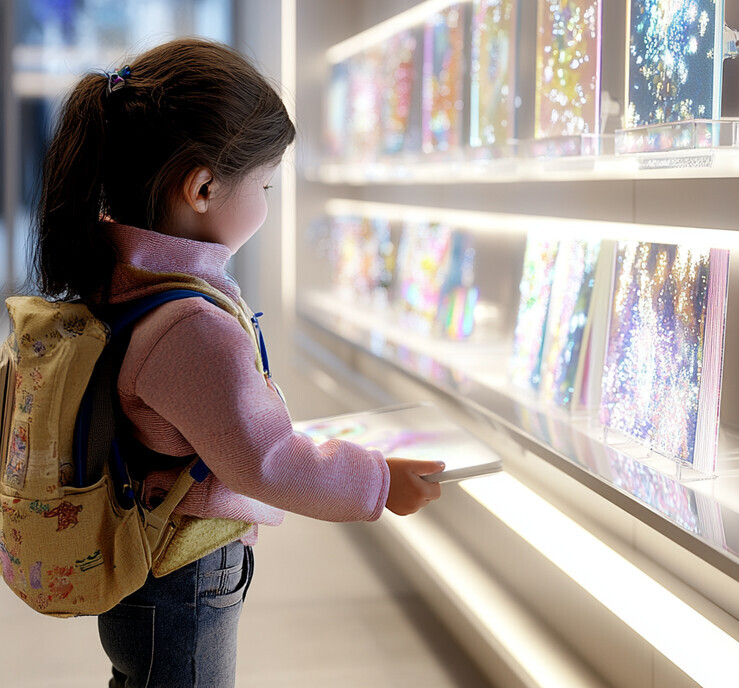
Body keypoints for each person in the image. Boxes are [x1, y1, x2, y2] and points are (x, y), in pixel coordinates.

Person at [33, 37, 445, 688]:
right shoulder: (192, 327)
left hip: (149, 562)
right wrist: (379, 484)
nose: (269, 197)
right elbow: (265, 460)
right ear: (202, 187)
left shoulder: (126, 278)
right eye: (266, 183)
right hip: (183, 574)